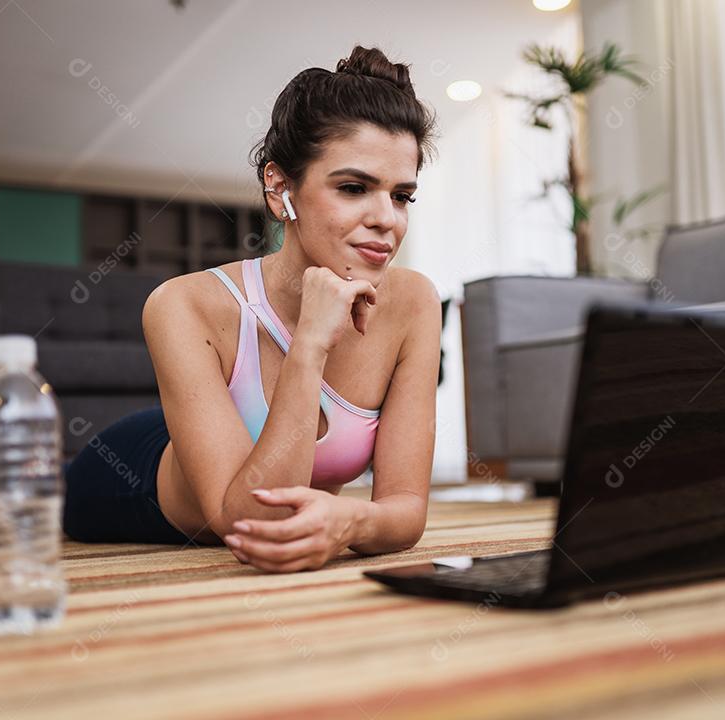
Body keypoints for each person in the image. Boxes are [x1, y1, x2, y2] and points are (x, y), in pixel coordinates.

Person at [62, 44, 442, 573]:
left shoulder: (415, 303)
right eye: (354, 188)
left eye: (403, 196)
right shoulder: (182, 305)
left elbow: (406, 510)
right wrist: (309, 342)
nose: (387, 219)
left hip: (215, 430)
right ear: (279, 187)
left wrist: (351, 521)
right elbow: (251, 523)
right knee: (44, 493)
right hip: (130, 476)